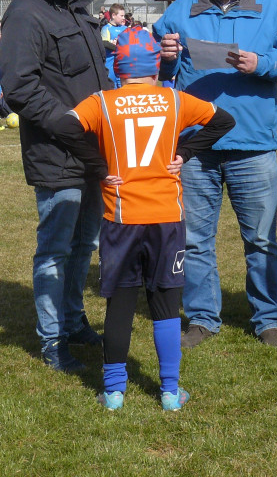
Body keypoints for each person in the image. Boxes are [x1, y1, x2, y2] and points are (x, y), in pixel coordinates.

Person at [51, 28, 235, 411]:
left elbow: (64, 126)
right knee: (165, 306)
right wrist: (186, 150)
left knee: (119, 304)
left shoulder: (102, 102)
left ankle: (115, 392)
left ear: (118, 69)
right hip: (167, 219)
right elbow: (223, 121)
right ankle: (170, 392)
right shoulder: (173, 99)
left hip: (121, 218)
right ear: (155, 68)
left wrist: (99, 167)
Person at [154, 0, 277, 349]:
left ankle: (268, 319)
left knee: (260, 239)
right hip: (195, 145)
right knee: (193, 239)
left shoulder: (276, 8)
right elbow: (158, 72)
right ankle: (202, 317)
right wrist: (166, 60)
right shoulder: (180, 10)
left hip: (253, 142)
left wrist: (262, 62)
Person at [0, 0, 112, 373]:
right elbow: (20, 87)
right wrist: (69, 124)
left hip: (93, 153)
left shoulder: (75, 9)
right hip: (57, 154)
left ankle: (73, 320)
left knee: (85, 245)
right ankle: (52, 344)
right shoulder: (26, 14)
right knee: (54, 252)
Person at [100, 3, 128, 89]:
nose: (124, 18)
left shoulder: (125, 29)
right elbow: (104, 43)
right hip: (110, 64)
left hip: (123, 64)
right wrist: (118, 47)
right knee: (112, 87)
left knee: (124, 88)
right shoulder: (106, 28)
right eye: (121, 16)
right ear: (113, 15)